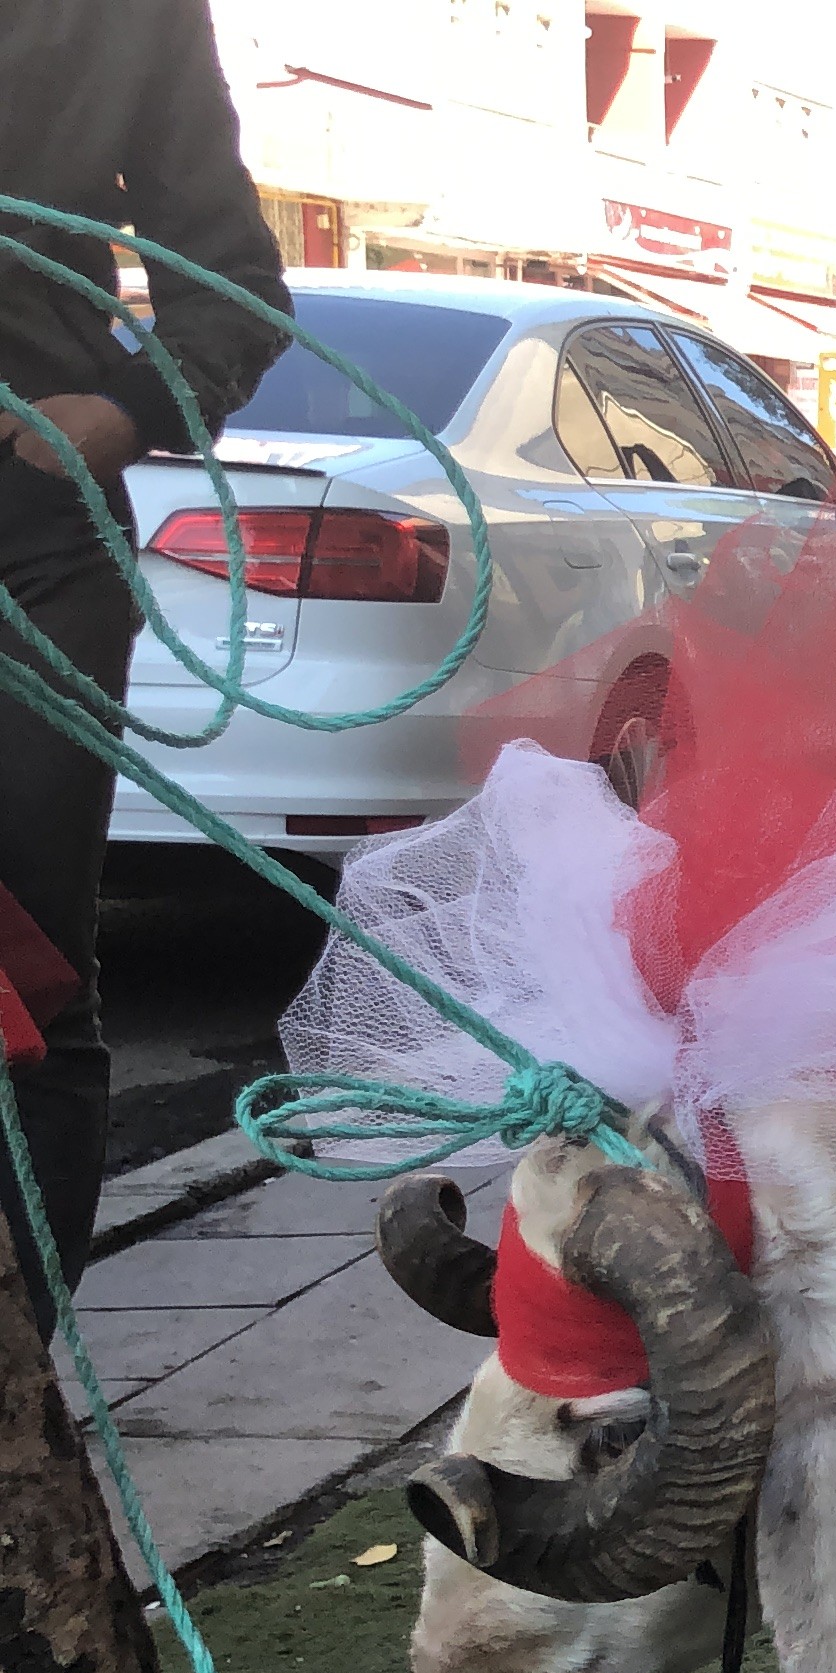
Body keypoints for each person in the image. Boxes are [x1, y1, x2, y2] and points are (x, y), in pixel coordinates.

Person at [0, 0, 289, 1316]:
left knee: (27, 973)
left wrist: (123, 410)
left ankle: (24, 1414)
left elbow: (229, 284)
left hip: (34, 540)